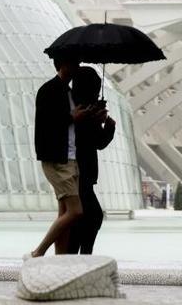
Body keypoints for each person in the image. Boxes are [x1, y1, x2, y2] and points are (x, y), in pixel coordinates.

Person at [27, 58, 92, 258]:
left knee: (64, 213)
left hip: (70, 157)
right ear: (63, 64)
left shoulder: (68, 92)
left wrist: (89, 116)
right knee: (76, 211)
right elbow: (47, 124)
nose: (77, 67)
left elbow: (70, 124)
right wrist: (72, 117)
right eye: (74, 63)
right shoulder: (49, 90)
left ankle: (60, 258)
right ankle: (38, 252)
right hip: (57, 160)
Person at [68, 66, 115, 255]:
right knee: (92, 216)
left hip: (81, 173)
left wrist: (103, 124)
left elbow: (98, 141)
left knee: (85, 218)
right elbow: (96, 141)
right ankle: (81, 258)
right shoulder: (79, 111)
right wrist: (102, 124)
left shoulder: (76, 107)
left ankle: (78, 258)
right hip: (79, 171)